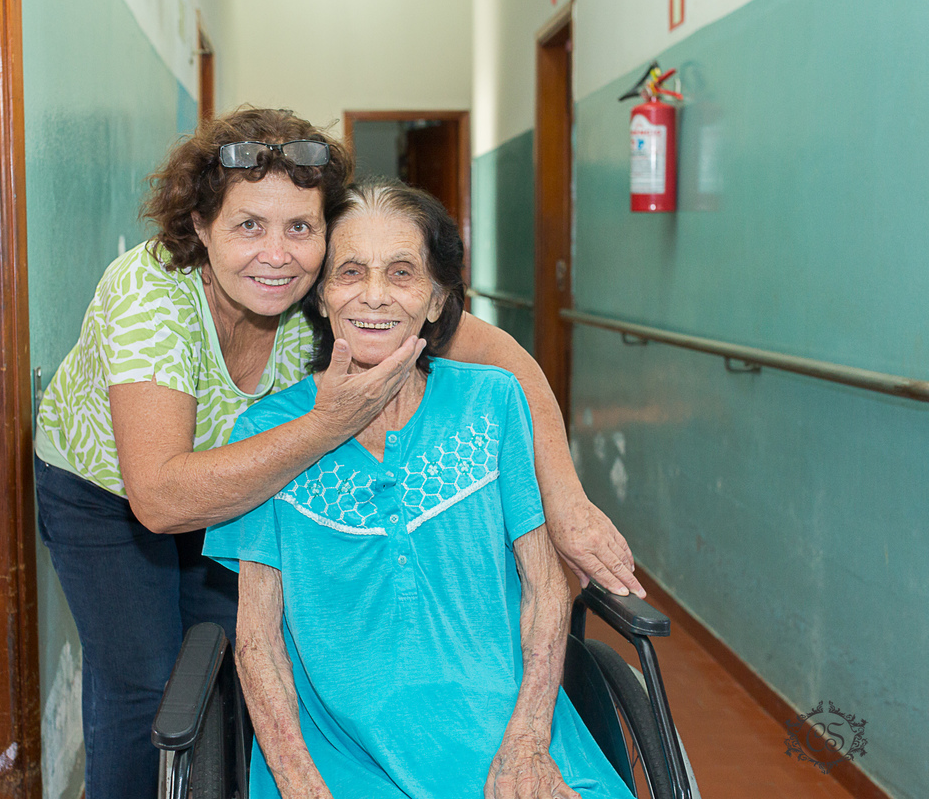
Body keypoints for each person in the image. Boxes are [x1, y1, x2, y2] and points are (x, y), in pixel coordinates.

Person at [34, 108, 640, 799]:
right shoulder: (150, 298)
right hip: (113, 493)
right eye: (248, 226)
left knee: (232, 666)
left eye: (300, 227)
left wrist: (562, 496)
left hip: (246, 474)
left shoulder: (324, 288)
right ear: (201, 227)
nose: (277, 253)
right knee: (146, 686)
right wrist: (328, 425)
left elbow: (502, 360)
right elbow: (162, 499)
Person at [204, 179, 634, 799]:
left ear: (436, 300)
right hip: (341, 759)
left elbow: (545, 587)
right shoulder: (266, 435)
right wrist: (301, 784)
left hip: (510, 737)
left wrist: (527, 744)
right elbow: (258, 640)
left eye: (401, 273)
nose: (374, 296)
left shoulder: (493, 403)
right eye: (350, 272)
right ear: (322, 297)